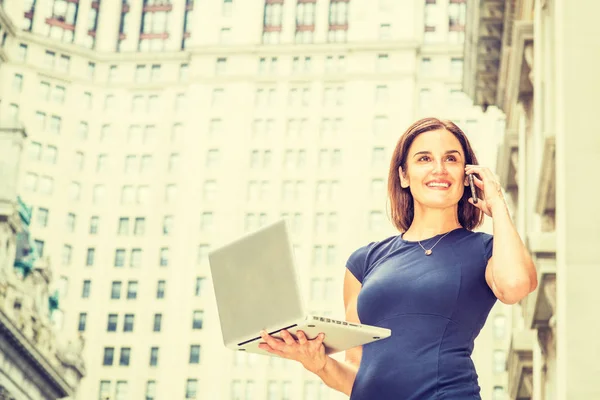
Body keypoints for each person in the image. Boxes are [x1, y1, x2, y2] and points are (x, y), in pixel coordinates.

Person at [259, 117, 537, 399]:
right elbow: (357, 372)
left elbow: (515, 286)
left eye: (451, 159)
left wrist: (498, 204)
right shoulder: (365, 261)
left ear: (467, 177)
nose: (438, 169)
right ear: (404, 175)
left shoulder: (485, 249)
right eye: (424, 158)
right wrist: (318, 363)